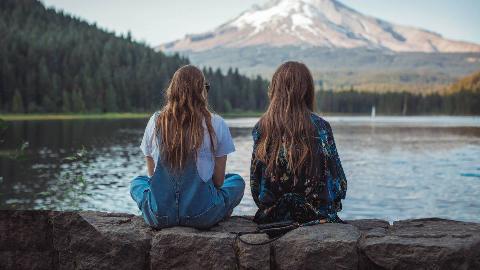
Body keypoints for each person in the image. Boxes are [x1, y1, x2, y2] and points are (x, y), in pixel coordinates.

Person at [130, 65, 245, 229]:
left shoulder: (156, 121)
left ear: (172, 90)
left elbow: (152, 176)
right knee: (236, 181)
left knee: (138, 182)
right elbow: (219, 182)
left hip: (160, 216)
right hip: (202, 215)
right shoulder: (217, 123)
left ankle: (153, 210)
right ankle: (220, 210)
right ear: (202, 91)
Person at [250, 61, 347, 224]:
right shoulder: (321, 127)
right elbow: (339, 184)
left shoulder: (261, 127)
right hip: (316, 216)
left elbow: (255, 185)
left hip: (272, 217)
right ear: (307, 90)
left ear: (275, 89)